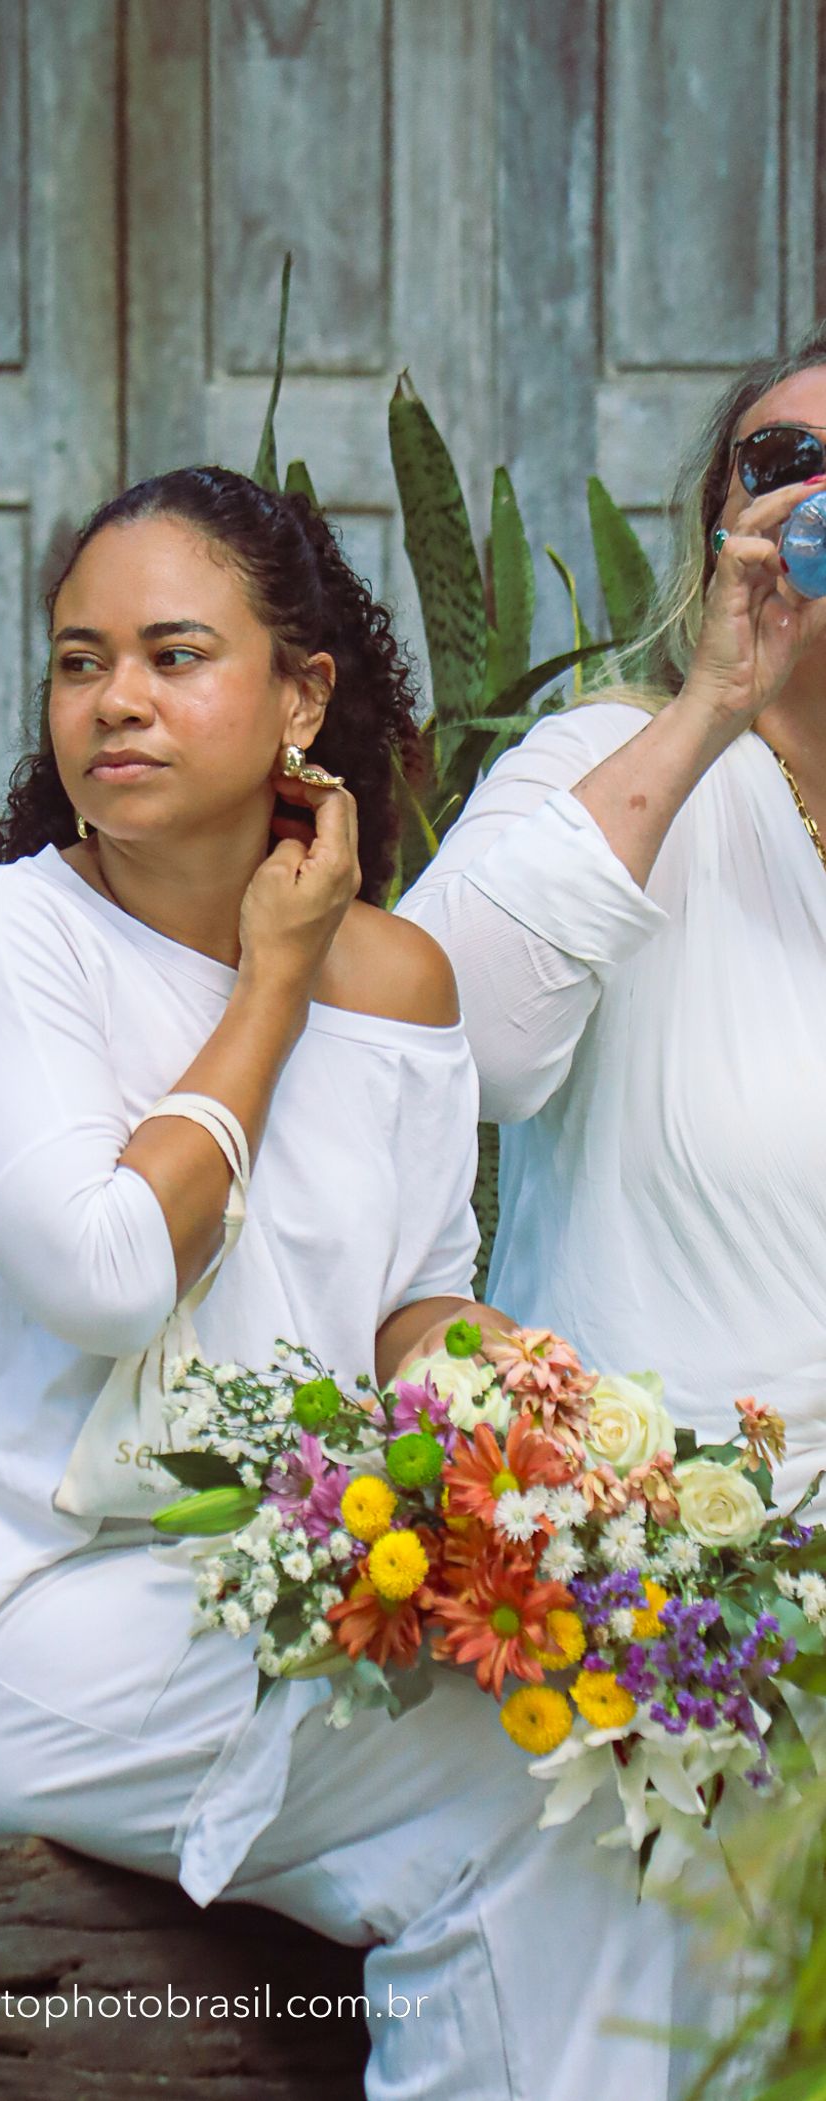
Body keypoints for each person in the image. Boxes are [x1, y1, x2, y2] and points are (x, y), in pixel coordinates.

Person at [0, 466, 723, 2099]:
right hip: (22, 1624)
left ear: (303, 697)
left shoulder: (402, 981)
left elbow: (407, 1307)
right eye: (81, 662)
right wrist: (273, 978)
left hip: (295, 1582)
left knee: (630, 1713)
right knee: (541, 1773)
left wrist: (543, 1439)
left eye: (175, 655)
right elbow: (113, 1274)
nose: (117, 699)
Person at [397, 329, 826, 1520]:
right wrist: (710, 706)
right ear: (718, 528)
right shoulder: (602, 759)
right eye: (780, 461)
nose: (815, 494)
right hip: (648, 1575)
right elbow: (459, 1048)